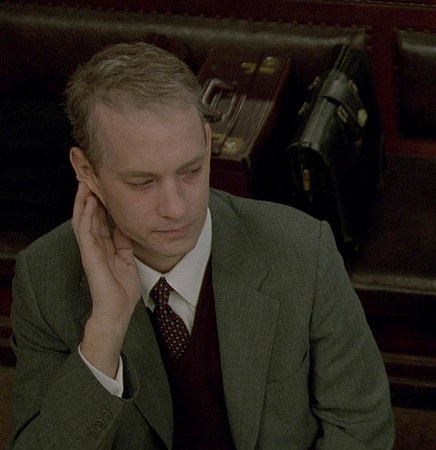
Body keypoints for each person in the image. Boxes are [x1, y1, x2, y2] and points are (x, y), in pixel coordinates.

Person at [10, 42, 394, 449]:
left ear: (207, 143)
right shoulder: (44, 278)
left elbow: (361, 429)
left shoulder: (302, 250)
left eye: (191, 171)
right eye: (143, 182)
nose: (176, 208)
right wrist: (105, 332)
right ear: (87, 171)